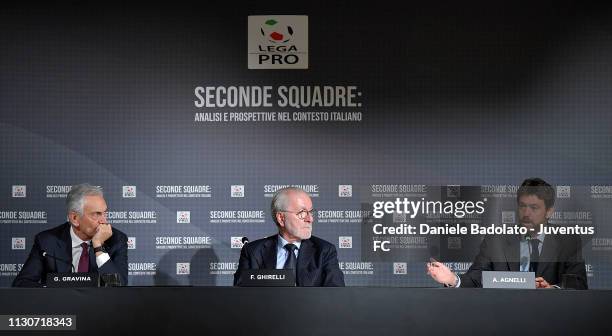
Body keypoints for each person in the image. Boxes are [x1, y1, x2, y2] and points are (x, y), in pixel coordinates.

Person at [427, 178, 588, 289]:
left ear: (549, 211)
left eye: (534, 208)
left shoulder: (568, 241)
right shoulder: (495, 240)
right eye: (522, 206)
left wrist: (552, 289)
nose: (526, 213)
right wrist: (452, 279)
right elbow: (476, 278)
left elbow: (578, 284)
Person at [13, 183, 128, 287]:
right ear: (74, 218)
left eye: (105, 213)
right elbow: (21, 284)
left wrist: (98, 247)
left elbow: (118, 288)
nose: (104, 221)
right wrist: (53, 292)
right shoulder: (47, 241)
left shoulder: (117, 240)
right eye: (96, 214)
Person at [234, 187, 345, 286]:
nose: (310, 219)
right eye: (302, 213)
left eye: (311, 212)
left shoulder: (324, 251)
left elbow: (335, 297)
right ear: (281, 218)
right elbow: (241, 297)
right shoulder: (253, 252)